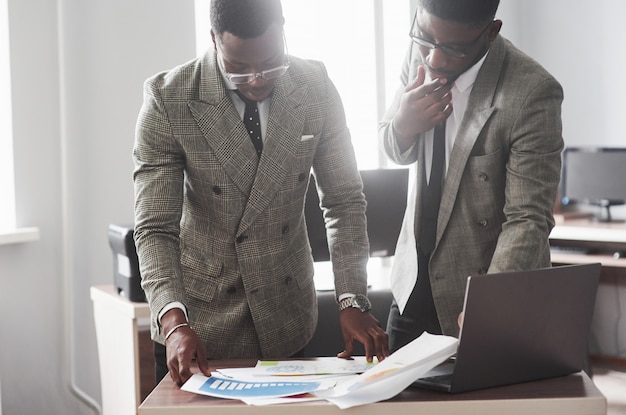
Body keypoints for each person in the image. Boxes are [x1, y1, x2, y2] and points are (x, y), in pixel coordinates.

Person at [133, 0, 389, 386]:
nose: (256, 80)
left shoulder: (315, 86)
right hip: (197, 328)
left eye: (270, 62)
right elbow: (155, 227)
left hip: (285, 316)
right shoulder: (169, 99)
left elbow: (344, 201)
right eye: (238, 69)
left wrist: (351, 298)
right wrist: (173, 322)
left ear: (283, 29)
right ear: (214, 40)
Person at [379, 0, 564, 352]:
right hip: (411, 285)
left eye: (453, 49)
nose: (434, 59)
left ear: (491, 33)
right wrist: (404, 125)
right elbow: (393, 146)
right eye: (425, 38)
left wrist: (489, 301)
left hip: (482, 291)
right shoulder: (420, 51)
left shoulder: (532, 92)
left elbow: (528, 218)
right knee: (398, 406)